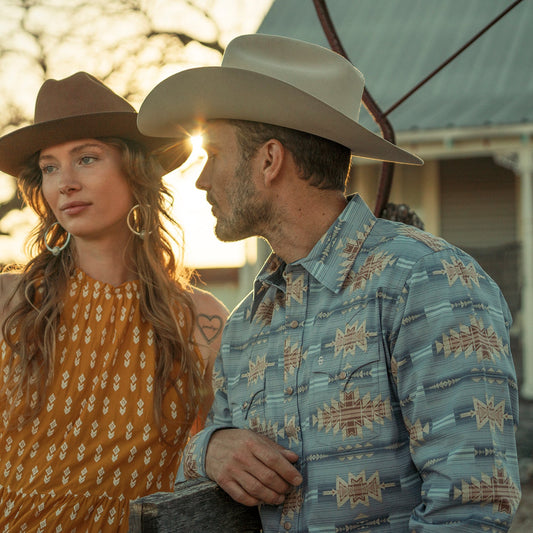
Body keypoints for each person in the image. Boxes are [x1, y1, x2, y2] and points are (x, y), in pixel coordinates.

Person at [138, 34, 521, 532]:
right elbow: (206, 474)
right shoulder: (247, 325)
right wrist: (209, 448)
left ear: (269, 160)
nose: (201, 180)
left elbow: (471, 507)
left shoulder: (426, 283)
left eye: (213, 154)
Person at [0, 72, 227, 531]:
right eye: (49, 167)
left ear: (135, 170)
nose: (65, 183)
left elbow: (215, 458)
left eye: (86, 159)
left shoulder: (201, 320)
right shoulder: (9, 300)